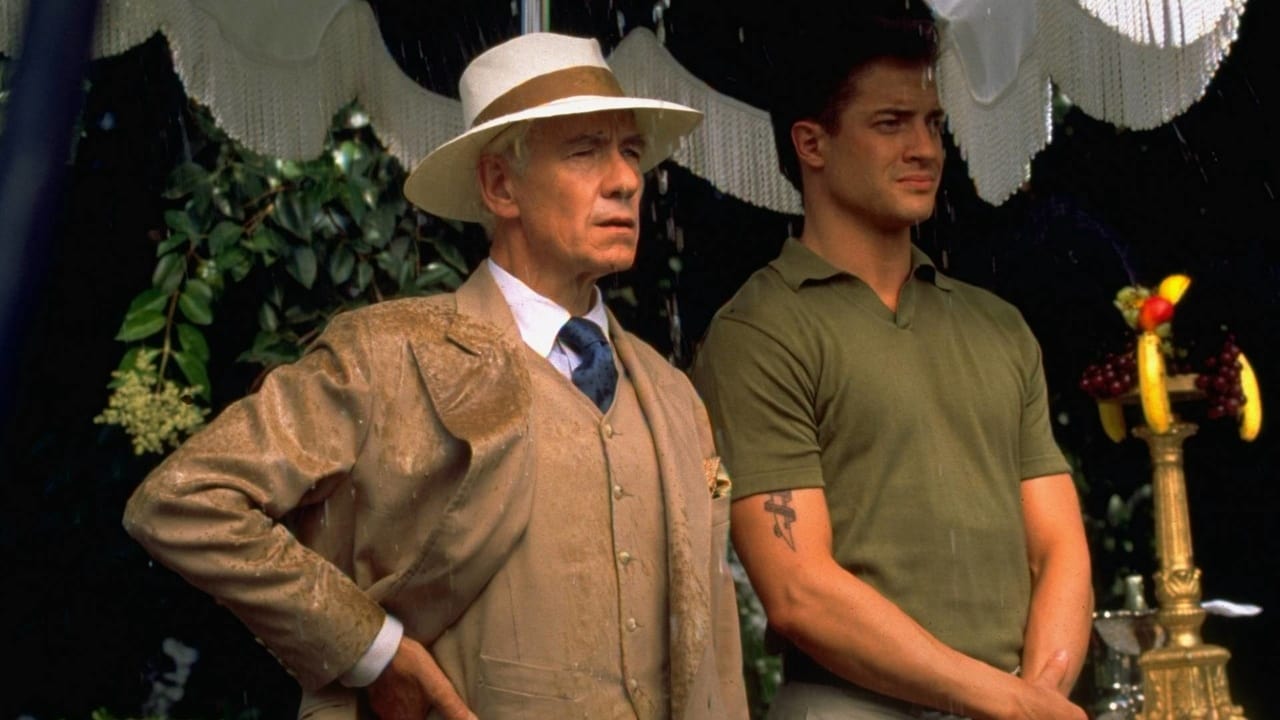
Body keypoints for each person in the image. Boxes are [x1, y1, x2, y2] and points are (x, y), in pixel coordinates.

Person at [124, 32, 747, 720]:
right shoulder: (387, 355)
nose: (626, 179)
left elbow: (715, 644)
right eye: (584, 151)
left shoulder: (672, 395)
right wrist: (372, 650)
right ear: (500, 185)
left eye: (630, 150)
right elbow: (183, 501)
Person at [691, 5, 1092, 719]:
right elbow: (798, 592)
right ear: (811, 143)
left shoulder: (997, 326)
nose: (925, 148)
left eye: (933, 123)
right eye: (890, 123)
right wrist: (1008, 704)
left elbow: (1060, 548)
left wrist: (1034, 697)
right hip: (846, 706)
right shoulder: (758, 332)